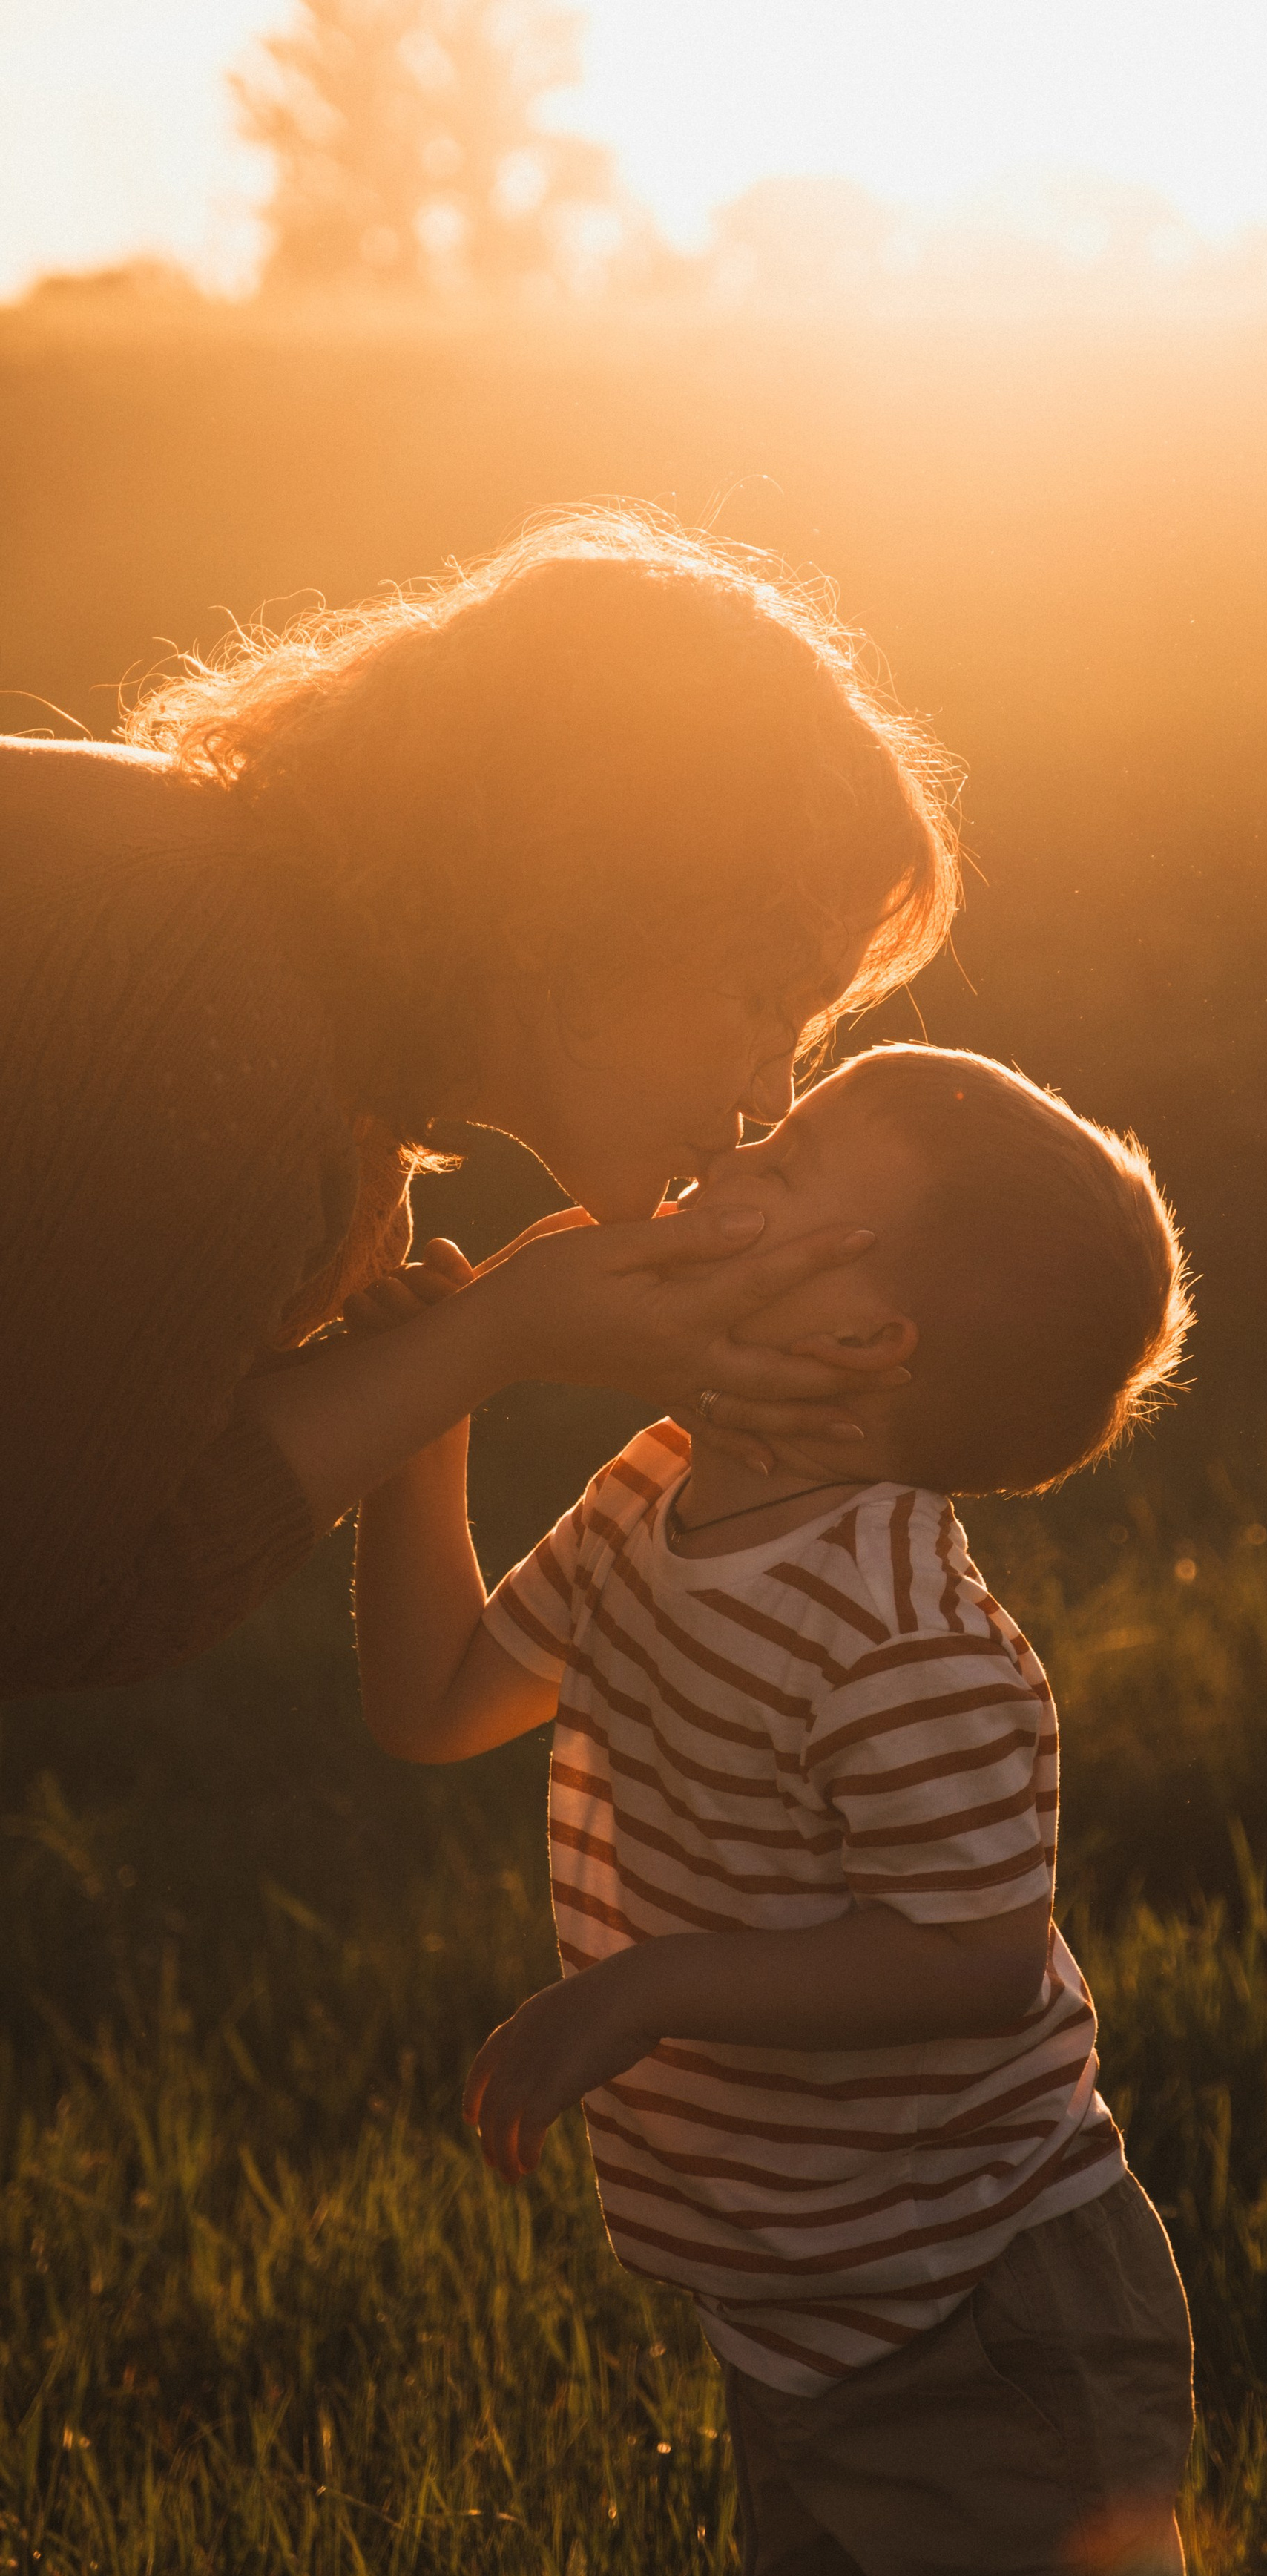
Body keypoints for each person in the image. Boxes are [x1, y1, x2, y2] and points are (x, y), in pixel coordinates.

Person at [350, 1043, 1211, 2576]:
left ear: (855, 1342)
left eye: (791, 1157)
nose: (728, 1157)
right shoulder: (659, 1483)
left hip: (979, 2321)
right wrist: (418, 1422)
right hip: (802, 2309)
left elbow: (972, 1960)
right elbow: (438, 1701)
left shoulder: (908, 1643)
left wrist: (655, 1985)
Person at [0, 507, 956, 1698]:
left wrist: (471, 1342)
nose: (775, 1090)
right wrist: (487, 1342)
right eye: (771, 1001)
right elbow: (52, 1602)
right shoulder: (229, 1054)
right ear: (584, 919)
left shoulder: (269, 983)